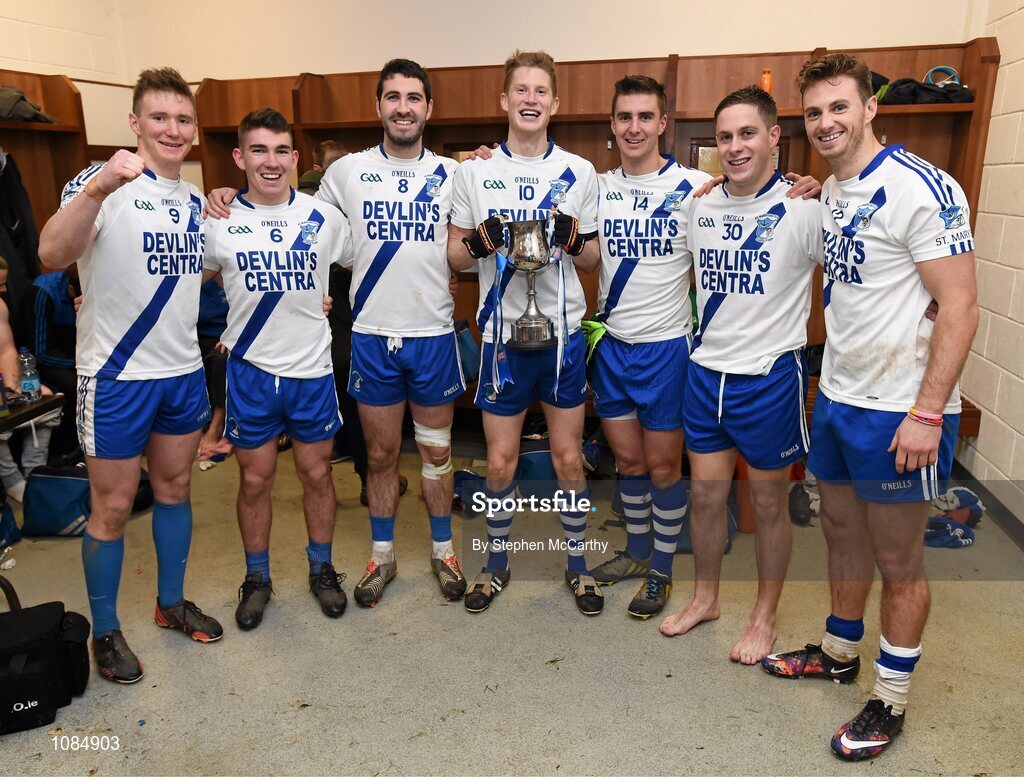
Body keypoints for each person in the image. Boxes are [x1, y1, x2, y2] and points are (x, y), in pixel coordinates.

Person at [760, 53, 978, 761]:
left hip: (900, 410)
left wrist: (928, 412)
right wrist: (807, 187)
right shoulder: (832, 189)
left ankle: (890, 698)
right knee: (842, 534)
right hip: (839, 396)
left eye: (839, 107)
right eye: (814, 112)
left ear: (870, 108)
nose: (826, 122)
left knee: (898, 559)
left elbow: (960, 306)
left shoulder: (922, 187)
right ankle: (838, 652)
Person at [37, 67, 222, 684]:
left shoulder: (194, 199)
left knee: (175, 490)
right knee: (113, 507)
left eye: (183, 119)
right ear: (135, 123)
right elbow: (51, 254)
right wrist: (97, 189)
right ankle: (106, 630)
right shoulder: (101, 181)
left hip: (182, 372)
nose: (173, 129)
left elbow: (194, 272)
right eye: (159, 117)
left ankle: (170, 603)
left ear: (194, 128)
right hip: (115, 377)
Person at [658, 86, 822, 663]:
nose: (735, 147)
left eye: (747, 133)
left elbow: (863, 267)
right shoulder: (699, 206)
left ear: (774, 137)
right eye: (725, 137)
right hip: (706, 376)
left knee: (770, 506)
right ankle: (705, 598)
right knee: (706, 498)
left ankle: (764, 617)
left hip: (769, 379)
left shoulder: (805, 208)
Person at [448, 51, 603, 615]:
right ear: (505, 100)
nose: (530, 99)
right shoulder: (475, 171)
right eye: (521, 90)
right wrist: (479, 242)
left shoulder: (580, 171)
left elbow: (592, 260)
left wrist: (572, 238)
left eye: (541, 91)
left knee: (568, 459)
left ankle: (578, 566)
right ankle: (496, 563)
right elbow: (455, 256)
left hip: (561, 336)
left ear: (554, 103)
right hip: (500, 340)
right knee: (499, 462)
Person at [316, 59, 465, 605]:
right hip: (373, 336)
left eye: (414, 98)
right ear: (378, 105)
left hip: (432, 336)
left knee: (437, 455)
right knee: (379, 457)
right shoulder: (346, 172)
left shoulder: (454, 174)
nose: (404, 108)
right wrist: (226, 198)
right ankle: (382, 556)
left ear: (429, 108)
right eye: (394, 97)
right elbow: (302, 228)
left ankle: (444, 551)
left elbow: (467, 244)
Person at [203, 108, 351, 629]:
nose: (271, 161)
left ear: (294, 156)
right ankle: (257, 578)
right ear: (240, 157)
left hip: (311, 370)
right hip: (251, 372)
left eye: (281, 150)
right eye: (259, 150)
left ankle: (321, 569)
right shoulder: (217, 221)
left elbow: (367, 263)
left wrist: (326, 299)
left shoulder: (323, 217)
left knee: (317, 474)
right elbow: (181, 284)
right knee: (255, 479)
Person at [585, 76, 712, 620]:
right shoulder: (593, 185)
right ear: (613, 125)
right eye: (624, 117)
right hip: (612, 346)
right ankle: (637, 553)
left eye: (645, 117)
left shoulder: (697, 186)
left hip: (666, 351)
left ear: (663, 123)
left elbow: (756, 202)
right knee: (628, 462)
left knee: (663, 467)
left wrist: (804, 187)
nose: (634, 127)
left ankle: (661, 567)